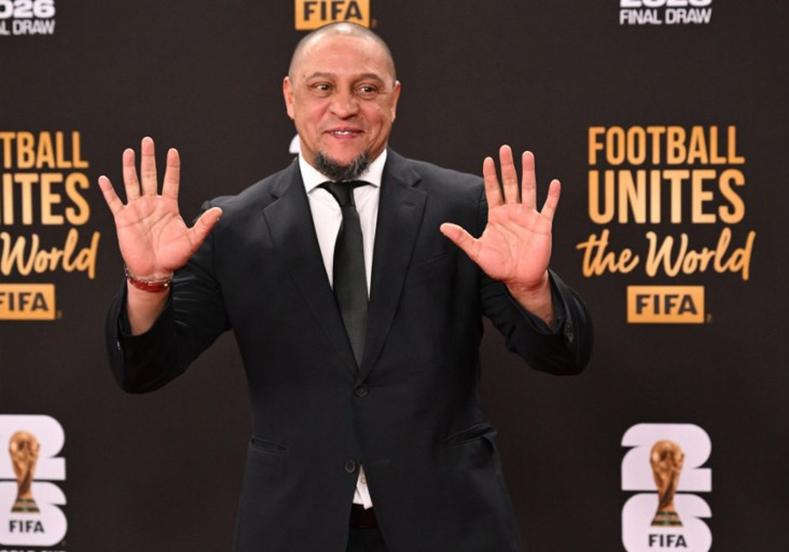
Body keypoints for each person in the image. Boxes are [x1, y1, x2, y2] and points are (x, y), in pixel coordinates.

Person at [100, 22, 591, 552]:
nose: (344, 107)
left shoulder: (463, 207)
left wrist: (533, 287)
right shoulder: (233, 225)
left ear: (394, 100)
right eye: (322, 87)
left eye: (366, 88)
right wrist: (148, 283)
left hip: (449, 525)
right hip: (294, 527)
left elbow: (562, 355)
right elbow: (143, 369)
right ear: (289, 97)